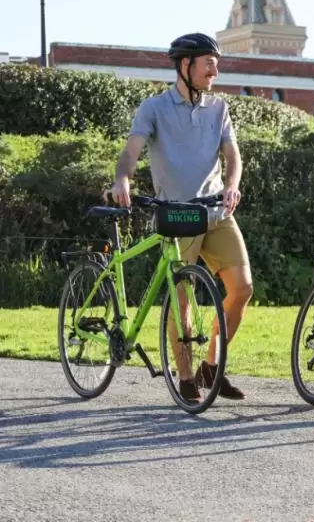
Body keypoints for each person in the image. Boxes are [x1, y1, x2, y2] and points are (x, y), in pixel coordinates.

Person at [107, 32, 253, 404]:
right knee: (182, 296)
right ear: (185, 65)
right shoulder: (154, 108)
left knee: (242, 289)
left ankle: (211, 364)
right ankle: (186, 376)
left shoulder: (219, 109)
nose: (215, 72)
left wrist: (232, 185)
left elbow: (232, 157)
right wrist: (123, 178)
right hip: (178, 214)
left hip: (217, 211)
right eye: (209, 64)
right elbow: (131, 152)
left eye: (217, 65)